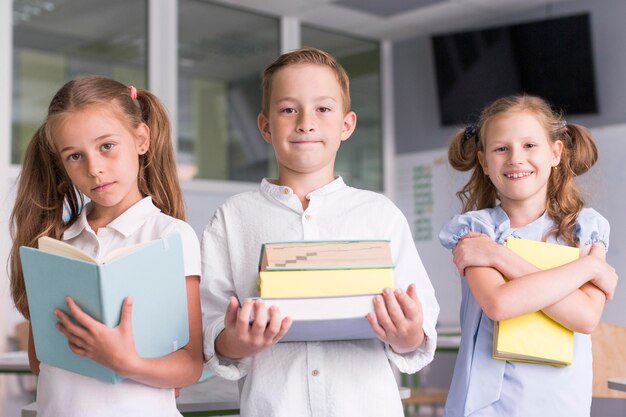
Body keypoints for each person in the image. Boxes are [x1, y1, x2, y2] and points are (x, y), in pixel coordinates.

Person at [200, 47, 439, 417]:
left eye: (323, 109)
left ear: (347, 124)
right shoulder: (232, 219)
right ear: (265, 126)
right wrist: (234, 340)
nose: (305, 122)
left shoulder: (380, 215)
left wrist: (407, 333)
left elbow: (419, 325)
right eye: (288, 109)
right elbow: (211, 327)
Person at [8, 76, 203, 417]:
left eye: (107, 146)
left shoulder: (172, 236)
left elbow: (189, 365)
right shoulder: (56, 243)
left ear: (141, 139)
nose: (94, 168)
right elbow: (41, 361)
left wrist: (126, 363)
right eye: (74, 156)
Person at [439, 95, 618, 417]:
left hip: (559, 402)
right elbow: (500, 304)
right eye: (501, 148)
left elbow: (585, 317)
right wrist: (587, 268)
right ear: (483, 160)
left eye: (529, 145)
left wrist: (500, 258)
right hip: (484, 406)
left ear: (555, 152)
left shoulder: (585, 229)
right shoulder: (475, 232)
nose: (515, 158)